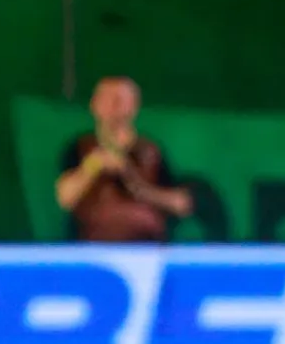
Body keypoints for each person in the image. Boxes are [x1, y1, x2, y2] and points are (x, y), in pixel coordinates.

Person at [55, 76, 192, 241]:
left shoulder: (151, 151)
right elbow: (65, 198)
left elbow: (181, 204)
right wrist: (94, 165)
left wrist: (138, 186)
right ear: (94, 105)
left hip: (146, 250)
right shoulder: (80, 147)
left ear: (134, 106)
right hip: (90, 250)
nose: (114, 106)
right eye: (107, 99)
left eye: (120, 100)